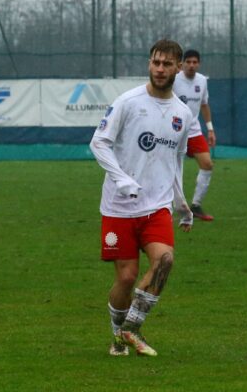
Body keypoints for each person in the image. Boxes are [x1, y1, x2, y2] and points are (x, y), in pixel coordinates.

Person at [89, 39, 194, 357]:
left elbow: (175, 161)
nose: (159, 69)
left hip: (156, 206)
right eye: (155, 62)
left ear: (178, 67)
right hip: (119, 207)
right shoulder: (128, 102)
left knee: (165, 261)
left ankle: (131, 330)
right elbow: (99, 143)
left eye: (166, 64)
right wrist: (122, 180)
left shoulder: (183, 114)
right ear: (149, 64)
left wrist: (182, 203)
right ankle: (117, 336)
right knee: (127, 277)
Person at [172, 49, 215, 221]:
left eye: (194, 62)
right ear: (182, 64)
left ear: (199, 64)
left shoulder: (202, 81)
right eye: (188, 62)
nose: (191, 65)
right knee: (170, 169)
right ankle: (165, 206)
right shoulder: (174, 79)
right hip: (174, 131)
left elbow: (204, 105)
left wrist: (210, 129)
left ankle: (195, 205)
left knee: (207, 164)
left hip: (194, 131)